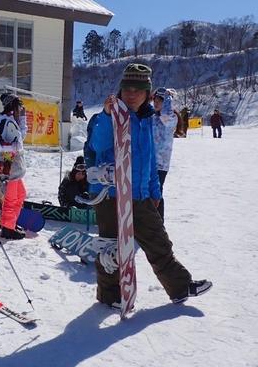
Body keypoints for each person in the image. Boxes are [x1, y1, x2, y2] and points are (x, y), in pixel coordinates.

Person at [85, 63, 211, 307]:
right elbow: (98, 146)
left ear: (147, 94)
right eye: (127, 88)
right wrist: (106, 115)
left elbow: (151, 159)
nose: (132, 94)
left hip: (140, 194)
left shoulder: (147, 119)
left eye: (138, 89)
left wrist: (154, 191)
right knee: (111, 248)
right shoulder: (109, 116)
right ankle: (110, 297)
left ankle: (180, 286)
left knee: (158, 241)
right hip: (111, 194)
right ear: (121, 90)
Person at [0, 92, 28, 240]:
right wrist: (12, 147)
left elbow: (21, 137)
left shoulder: (12, 119)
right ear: (12, 105)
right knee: (11, 199)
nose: (21, 108)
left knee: (21, 195)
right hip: (8, 168)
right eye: (19, 105)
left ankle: (11, 223)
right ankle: (7, 228)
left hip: (15, 168)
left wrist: (23, 118)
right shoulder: (1, 120)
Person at [151, 87, 178, 220]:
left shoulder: (170, 118)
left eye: (159, 100)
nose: (156, 103)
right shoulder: (153, 117)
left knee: (156, 193)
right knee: (148, 194)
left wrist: (167, 97)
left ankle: (158, 223)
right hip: (149, 161)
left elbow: (167, 114)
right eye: (155, 100)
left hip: (161, 164)